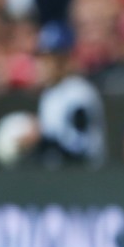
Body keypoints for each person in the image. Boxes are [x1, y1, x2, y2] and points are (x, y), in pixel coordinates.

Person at [30, 21, 107, 168]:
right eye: (42, 58)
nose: (43, 65)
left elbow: (82, 149)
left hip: (83, 179)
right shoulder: (49, 93)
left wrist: (42, 141)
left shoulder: (79, 93)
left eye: (51, 59)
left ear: (66, 60)